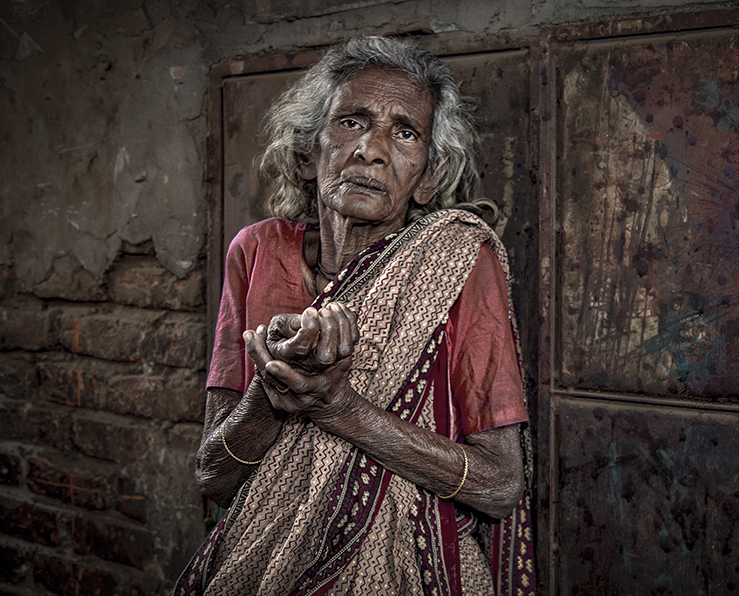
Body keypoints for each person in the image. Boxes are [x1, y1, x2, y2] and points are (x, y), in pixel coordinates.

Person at [173, 35, 535, 596]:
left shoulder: (458, 262)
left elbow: (500, 484)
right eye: (351, 122)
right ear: (307, 152)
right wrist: (271, 394)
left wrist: (340, 409)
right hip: (267, 564)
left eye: (405, 133)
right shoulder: (257, 251)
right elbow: (214, 477)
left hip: (413, 566)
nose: (372, 149)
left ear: (429, 177)